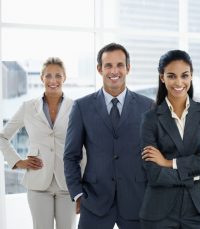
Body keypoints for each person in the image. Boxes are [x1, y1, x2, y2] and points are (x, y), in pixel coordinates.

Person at [63, 42, 154, 229]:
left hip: (137, 200)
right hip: (94, 200)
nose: (114, 71)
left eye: (120, 65)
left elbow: (157, 153)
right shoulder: (82, 107)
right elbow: (71, 156)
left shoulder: (147, 106)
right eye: (108, 65)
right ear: (99, 69)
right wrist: (78, 193)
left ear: (128, 68)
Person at [139, 49, 200, 228]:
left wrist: (169, 163)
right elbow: (154, 174)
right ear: (162, 77)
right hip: (160, 212)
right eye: (171, 76)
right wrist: (197, 173)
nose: (179, 82)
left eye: (184, 75)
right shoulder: (150, 119)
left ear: (191, 76)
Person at [0, 57, 77, 229]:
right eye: (48, 76)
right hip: (38, 182)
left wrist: (81, 184)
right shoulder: (28, 107)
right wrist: (18, 161)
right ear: (42, 78)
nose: (53, 80)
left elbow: (85, 146)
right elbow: (2, 137)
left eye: (58, 75)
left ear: (64, 78)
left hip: (68, 183)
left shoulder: (76, 107)